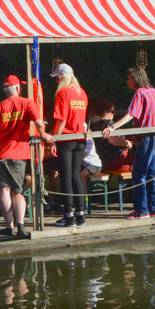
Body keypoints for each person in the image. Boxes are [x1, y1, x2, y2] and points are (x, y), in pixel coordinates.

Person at [0, 75, 54, 237]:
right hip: (18, 154)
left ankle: (9, 227)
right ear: (17, 89)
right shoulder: (27, 103)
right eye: (20, 86)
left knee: (3, 191)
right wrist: (44, 135)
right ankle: (21, 225)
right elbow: (38, 122)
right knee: (17, 191)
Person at [102, 67, 155, 220]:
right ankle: (153, 209)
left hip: (146, 138)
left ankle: (142, 211)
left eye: (129, 78)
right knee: (151, 175)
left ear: (136, 79)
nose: (127, 81)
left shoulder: (140, 93)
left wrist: (113, 126)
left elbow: (131, 114)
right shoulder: (153, 91)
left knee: (138, 174)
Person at [50, 63, 89, 228]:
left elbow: (62, 119)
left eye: (58, 77)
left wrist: (54, 139)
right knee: (75, 175)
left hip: (66, 139)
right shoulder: (82, 92)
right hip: (80, 138)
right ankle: (80, 216)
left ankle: (69, 216)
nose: (57, 80)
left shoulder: (63, 93)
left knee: (65, 176)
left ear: (63, 77)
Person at [90, 100, 135, 171]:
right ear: (106, 113)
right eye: (112, 112)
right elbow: (113, 140)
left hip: (103, 161)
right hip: (116, 160)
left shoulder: (95, 125)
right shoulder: (108, 123)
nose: (114, 114)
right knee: (141, 163)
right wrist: (128, 144)